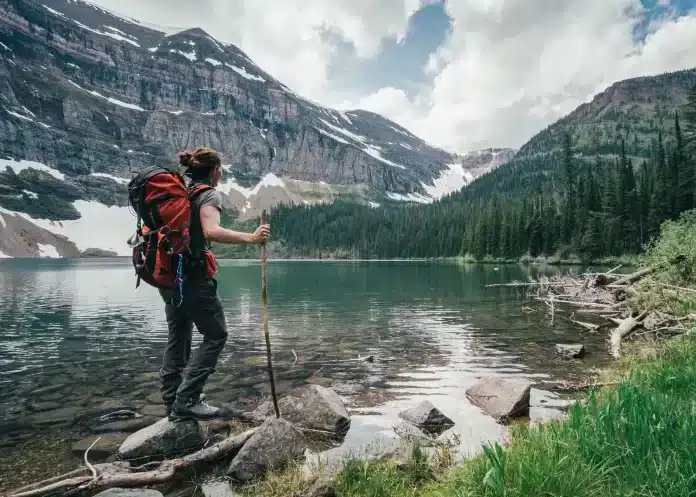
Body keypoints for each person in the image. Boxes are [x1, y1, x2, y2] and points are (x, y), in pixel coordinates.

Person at [159, 147, 270, 421]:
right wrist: (252, 238)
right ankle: (187, 399)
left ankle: (172, 401)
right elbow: (212, 231)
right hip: (194, 278)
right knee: (216, 335)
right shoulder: (208, 193)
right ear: (215, 171)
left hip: (170, 277)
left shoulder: (180, 193)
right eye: (220, 169)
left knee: (178, 336)